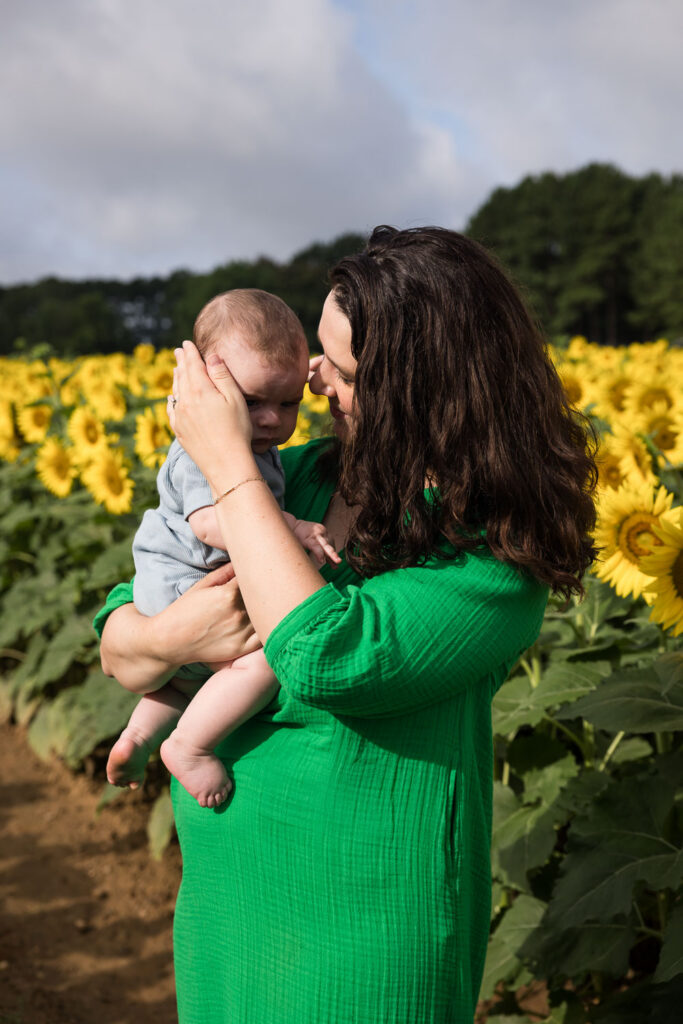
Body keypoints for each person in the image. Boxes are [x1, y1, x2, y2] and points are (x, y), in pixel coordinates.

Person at [95, 226, 597, 1023]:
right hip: (227, 911)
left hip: (364, 937)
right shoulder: (297, 475)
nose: (314, 376)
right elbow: (119, 642)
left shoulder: (492, 555)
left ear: (421, 391)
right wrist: (164, 641)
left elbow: (326, 656)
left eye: (343, 367)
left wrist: (225, 468)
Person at [106, 289, 340, 808]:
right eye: (252, 402)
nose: (272, 420)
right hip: (182, 582)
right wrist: (290, 526)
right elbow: (212, 523)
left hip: (179, 592)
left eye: (290, 403)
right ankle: (188, 746)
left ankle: (139, 738)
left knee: (178, 685)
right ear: (207, 388)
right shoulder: (200, 451)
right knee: (259, 663)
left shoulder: (266, 448)